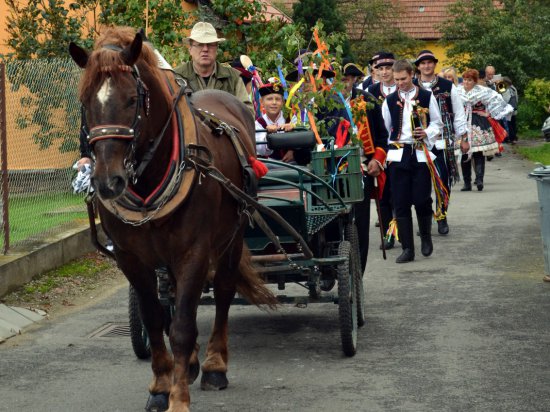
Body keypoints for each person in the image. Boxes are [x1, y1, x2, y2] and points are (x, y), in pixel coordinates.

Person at [381, 60, 443, 263]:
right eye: (397, 79)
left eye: (403, 79)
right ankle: (408, 248)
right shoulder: (389, 100)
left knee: (422, 199)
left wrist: (426, 132)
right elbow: (386, 130)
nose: (400, 83)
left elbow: (437, 122)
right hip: (398, 155)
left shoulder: (426, 96)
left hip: (420, 152)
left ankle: (426, 237)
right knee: (400, 202)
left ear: (411, 75)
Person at [340, 62, 389, 272]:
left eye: (345, 79)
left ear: (352, 80)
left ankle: (357, 272)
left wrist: (376, 160)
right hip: (330, 169)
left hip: (360, 168)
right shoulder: (321, 104)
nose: (341, 84)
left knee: (359, 224)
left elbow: (382, 137)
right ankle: (328, 269)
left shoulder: (368, 101)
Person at [414, 50, 468, 235]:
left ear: (434, 64)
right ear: (418, 66)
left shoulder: (446, 85)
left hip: (441, 140)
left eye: (430, 62)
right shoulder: (411, 86)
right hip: (418, 142)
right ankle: (426, 219)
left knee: (442, 179)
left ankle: (442, 216)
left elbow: (459, 112)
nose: (427, 66)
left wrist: (463, 137)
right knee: (420, 183)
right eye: (423, 63)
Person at [457, 69, 513, 191]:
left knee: (478, 152)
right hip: (463, 122)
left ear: (475, 81)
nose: (466, 82)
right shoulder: (457, 91)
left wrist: (488, 113)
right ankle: (467, 183)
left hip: (478, 122)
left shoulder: (484, 90)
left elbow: (498, 98)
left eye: (469, 80)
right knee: (464, 152)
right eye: (465, 79)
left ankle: (479, 180)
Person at [174, 22, 250, 107]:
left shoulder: (233, 78)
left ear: (217, 49)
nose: (205, 49)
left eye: (210, 45)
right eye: (200, 45)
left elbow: (247, 112)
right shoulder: (176, 77)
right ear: (190, 49)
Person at [367, 52, 397, 249]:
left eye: (388, 68)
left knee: (400, 195)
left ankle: (405, 228)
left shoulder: (405, 88)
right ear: (375, 71)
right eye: (380, 68)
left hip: (402, 147)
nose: (384, 72)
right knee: (383, 194)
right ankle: (388, 234)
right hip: (381, 148)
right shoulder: (369, 91)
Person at [255, 81, 304, 164]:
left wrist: (293, 150)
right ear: (261, 102)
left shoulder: (291, 118)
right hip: (269, 165)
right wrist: (268, 135)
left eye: (277, 99)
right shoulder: (258, 123)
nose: (274, 103)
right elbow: (261, 150)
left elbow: (303, 139)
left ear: (283, 102)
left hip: (294, 164)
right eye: (269, 99)